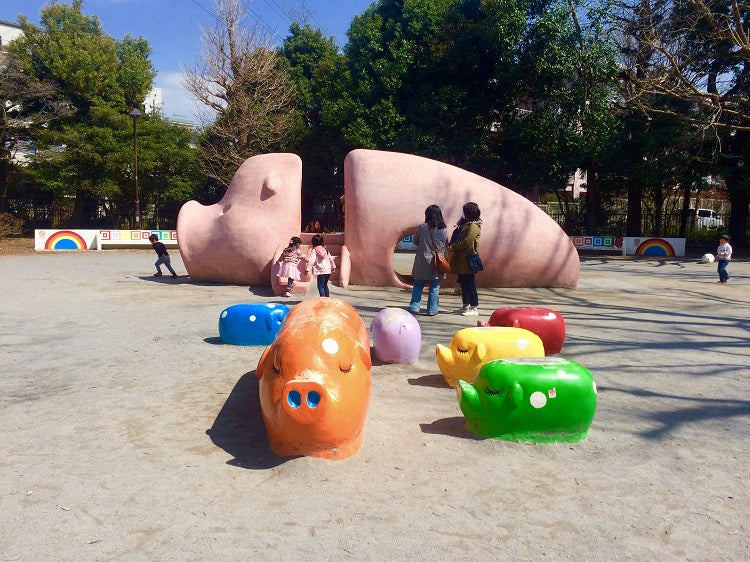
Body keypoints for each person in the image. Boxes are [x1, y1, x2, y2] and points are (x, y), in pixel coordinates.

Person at [409, 205, 448, 316]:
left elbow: (415, 241)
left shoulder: (422, 227)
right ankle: (432, 310)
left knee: (418, 284)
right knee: (435, 287)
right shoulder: (444, 229)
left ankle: (414, 307)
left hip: (422, 260)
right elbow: (446, 242)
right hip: (437, 262)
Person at [448, 202, 482, 316]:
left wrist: (454, 247)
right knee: (463, 283)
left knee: (469, 283)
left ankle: (474, 307)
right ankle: (465, 305)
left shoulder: (473, 226)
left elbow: (467, 241)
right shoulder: (466, 224)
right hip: (461, 258)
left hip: (468, 258)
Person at [448, 216, 466, 295]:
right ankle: (458, 287)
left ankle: (458, 288)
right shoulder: (466, 231)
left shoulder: (456, 230)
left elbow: (452, 241)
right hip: (464, 254)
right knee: (464, 273)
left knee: (460, 272)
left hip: (456, 254)